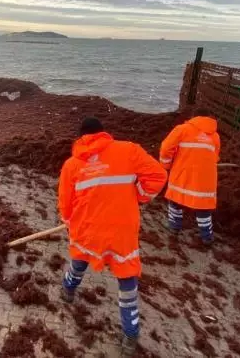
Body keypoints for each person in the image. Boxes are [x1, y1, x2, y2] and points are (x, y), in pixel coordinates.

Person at [58, 117, 167, 356]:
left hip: (88, 228)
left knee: (79, 260)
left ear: (81, 137)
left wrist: (68, 221)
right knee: (127, 277)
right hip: (122, 230)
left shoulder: (72, 165)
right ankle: (130, 334)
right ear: (103, 134)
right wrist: (139, 195)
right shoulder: (129, 150)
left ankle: (67, 290)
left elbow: (66, 203)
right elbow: (159, 176)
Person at [159, 108, 220, 244]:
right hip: (206, 178)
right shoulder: (215, 135)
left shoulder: (182, 129)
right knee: (203, 207)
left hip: (183, 173)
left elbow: (166, 148)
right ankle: (207, 236)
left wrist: (166, 165)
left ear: (193, 118)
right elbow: (215, 156)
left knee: (176, 198)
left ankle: (175, 226)